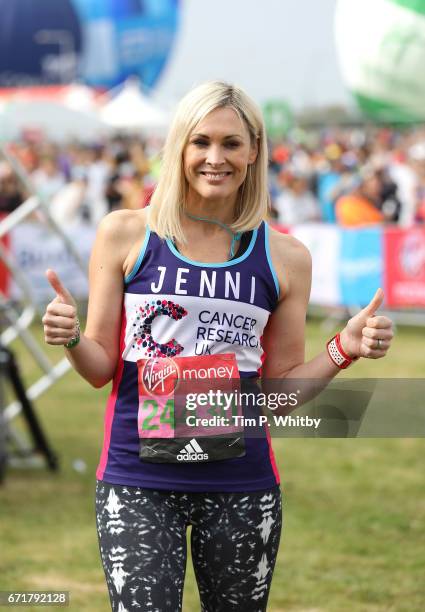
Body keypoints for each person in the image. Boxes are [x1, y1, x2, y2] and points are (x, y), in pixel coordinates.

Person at [42, 81, 394, 612]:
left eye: (231, 143)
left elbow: (277, 396)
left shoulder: (285, 257)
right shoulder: (126, 234)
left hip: (242, 485)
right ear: (179, 146)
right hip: (137, 481)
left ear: (254, 151)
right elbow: (99, 369)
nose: (215, 158)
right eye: (200, 141)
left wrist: (344, 348)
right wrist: (70, 336)